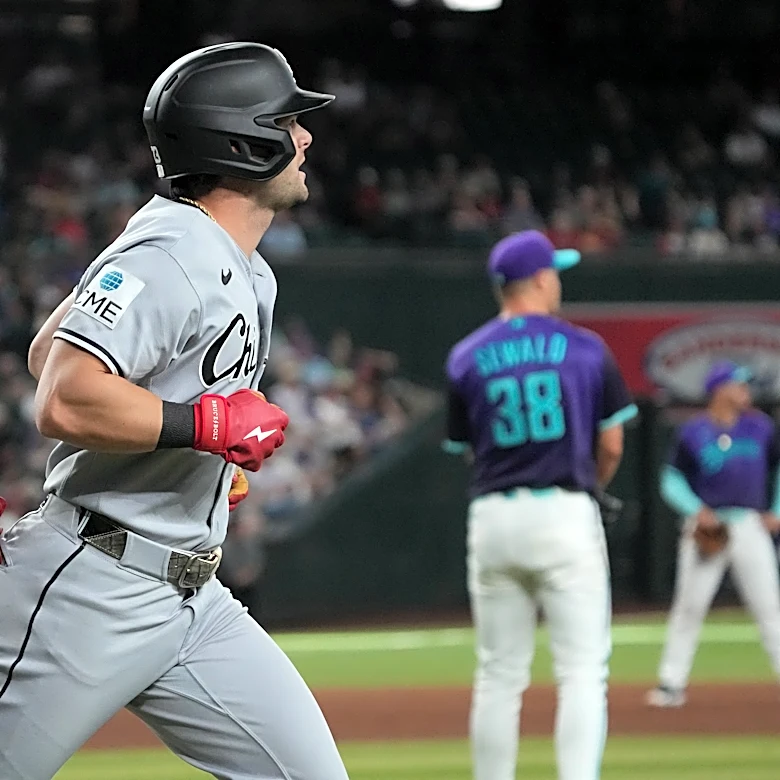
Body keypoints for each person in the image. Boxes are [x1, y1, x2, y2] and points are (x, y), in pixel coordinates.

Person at [0, 43, 350, 780]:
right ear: (242, 141)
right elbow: (61, 390)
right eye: (288, 121)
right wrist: (206, 427)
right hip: (93, 582)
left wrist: (199, 456)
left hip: (193, 599)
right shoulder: (171, 250)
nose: (306, 137)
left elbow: (43, 350)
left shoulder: (230, 259)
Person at [444, 230, 637, 780]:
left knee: (499, 675)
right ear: (540, 279)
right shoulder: (584, 346)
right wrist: (592, 485)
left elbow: (468, 451)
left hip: (494, 516)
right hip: (564, 511)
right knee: (581, 672)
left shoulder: (466, 355)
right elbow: (613, 443)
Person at [646, 361, 780, 708]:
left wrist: (776, 510)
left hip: (749, 524)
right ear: (720, 389)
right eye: (739, 385)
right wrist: (696, 510)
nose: (746, 391)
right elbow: (670, 480)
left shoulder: (761, 428)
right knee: (689, 608)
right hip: (709, 526)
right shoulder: (693, 432)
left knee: (769, 607)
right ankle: (671, 684)